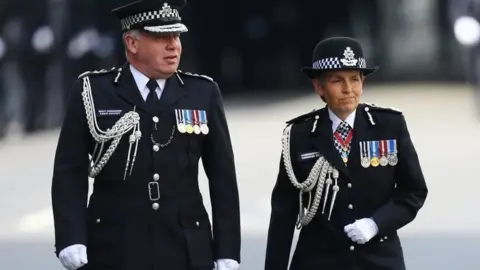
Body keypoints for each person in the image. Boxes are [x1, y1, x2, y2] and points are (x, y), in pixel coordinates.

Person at [50, 1, 241, 270]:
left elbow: (223, 178)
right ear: (132, 43)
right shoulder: (93, 91)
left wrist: (227, 249)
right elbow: (69, 170)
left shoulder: (203, 92)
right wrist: (70, 237)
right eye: (161, 38)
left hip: (185, 247)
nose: (173, 45)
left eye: (176, 36)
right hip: (114, 247)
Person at [264, 37, 428, 270]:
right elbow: (284, 211)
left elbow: (413, 191)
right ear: (319, 87)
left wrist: (375, 224)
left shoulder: (389, 125)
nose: (348, 89)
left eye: (354, 79)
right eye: (337, 80)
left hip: (378, 260)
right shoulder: (299, 134)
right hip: (318, 261)